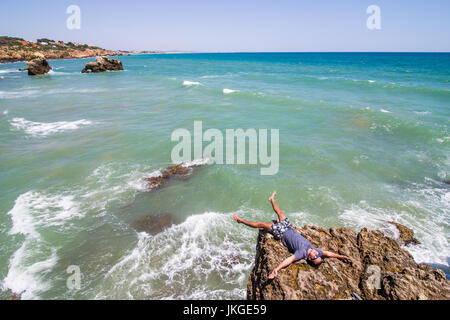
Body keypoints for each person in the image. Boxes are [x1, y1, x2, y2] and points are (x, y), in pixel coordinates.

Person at [233, 191, 352, 279]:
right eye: (317, 254)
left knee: (262, 224)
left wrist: (276, 270)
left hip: (281, 232)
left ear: (310, 258)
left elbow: (289, 260)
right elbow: (328, 253)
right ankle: (272, 199)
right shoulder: (315, 251)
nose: (317, 253)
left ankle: (241, 221)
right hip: (289, 227)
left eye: (315, 256)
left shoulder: (302, 253)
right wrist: (342, 257)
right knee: (280, 212)